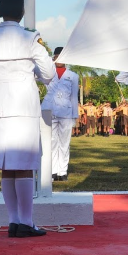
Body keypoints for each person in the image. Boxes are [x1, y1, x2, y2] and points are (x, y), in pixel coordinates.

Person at [0, 0, 55, 238]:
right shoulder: (31, 38)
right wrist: (30, 73)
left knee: (7, 166)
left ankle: (13, 221)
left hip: (0, 104)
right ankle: (26, 222)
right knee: (23, 166)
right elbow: (49, 73)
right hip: (24, 105)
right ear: (22, 11)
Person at [41, 46, 79, 181]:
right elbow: (34, 73)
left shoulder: (73, 76)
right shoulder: (47, 73)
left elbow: (74, 97)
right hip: (49, 110)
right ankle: (51, 171)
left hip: (66, 111)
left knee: (64, 143)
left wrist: (75, 117)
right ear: (54, 58)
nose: (59, 59)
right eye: (57, 56)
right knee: (50, 142)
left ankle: (62, 171)